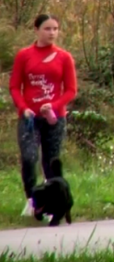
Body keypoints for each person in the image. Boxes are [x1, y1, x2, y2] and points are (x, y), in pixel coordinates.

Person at [9, 14, 78, 217]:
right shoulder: (24, 55)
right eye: (47, 29)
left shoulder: (64, 57)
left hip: (54, 119)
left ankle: (52, 202)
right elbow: (14, 86)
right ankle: (32, 199)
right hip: (30, 118)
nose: (52, 33)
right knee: (29, 158)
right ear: (37, 30)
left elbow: (71, 90)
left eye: (55, 29)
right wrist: (24, 108)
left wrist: (54, 106)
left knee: (51, 161)